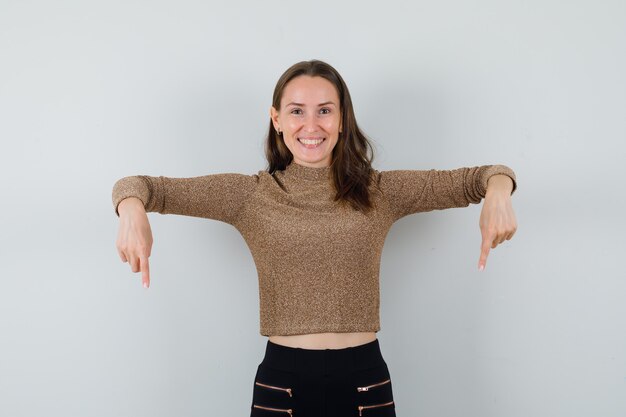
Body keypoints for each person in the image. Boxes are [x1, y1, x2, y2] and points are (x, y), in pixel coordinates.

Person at [112, 59, 517, 417]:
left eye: (324, 111)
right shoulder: (250, 195)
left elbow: (481, 177)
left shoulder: (379, 191)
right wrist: (131, 210)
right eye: (296, 111)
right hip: (282, 382)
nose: (311, 125)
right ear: (276, 119)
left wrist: (499, 190)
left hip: (364, 380)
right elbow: (142, 185)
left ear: (342, 119)